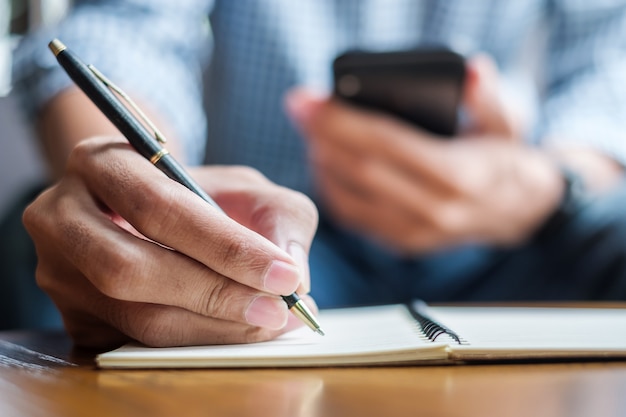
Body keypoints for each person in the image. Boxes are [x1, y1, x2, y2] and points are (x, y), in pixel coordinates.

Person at [12, 0, 626, 348]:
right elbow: (128, 27)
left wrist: (550, 184)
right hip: (267, 239)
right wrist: (142, 201)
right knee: (68, 251)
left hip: (519, 233)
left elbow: (609, 55)